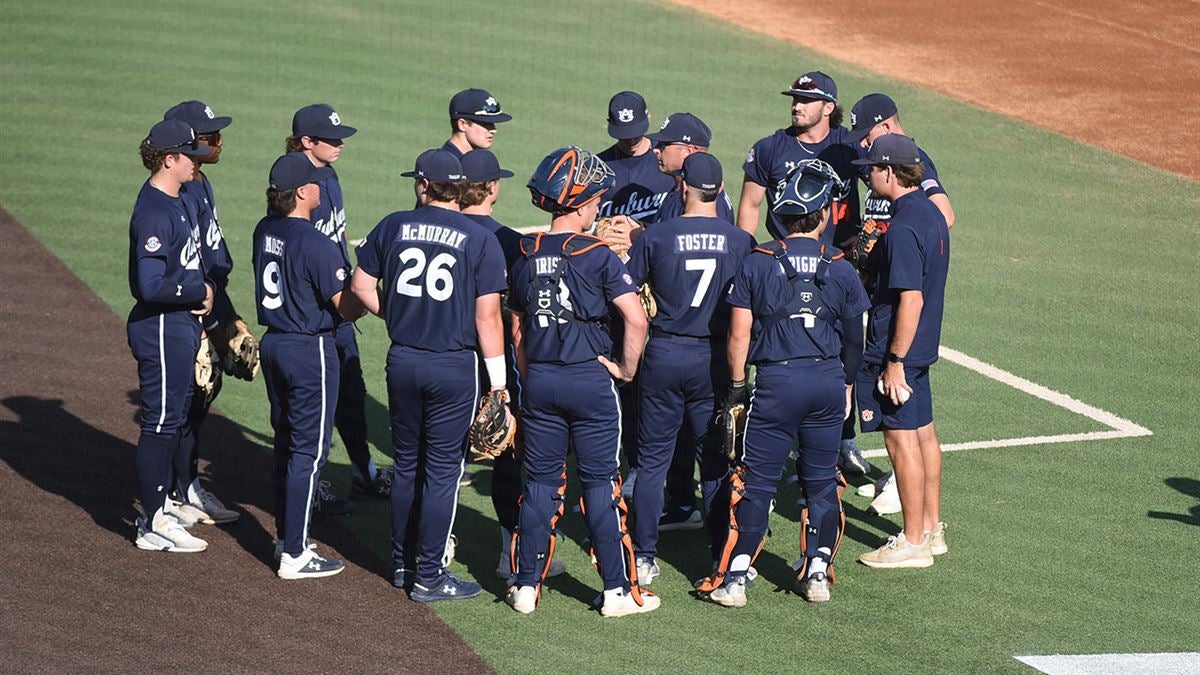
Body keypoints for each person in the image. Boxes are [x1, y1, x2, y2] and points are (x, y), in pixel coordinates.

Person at [697, 159, 869, 607]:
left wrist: (736, 387)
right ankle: (817, 573)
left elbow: (738, 335)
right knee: (820, 482)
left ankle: (735, 578)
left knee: (756, 483)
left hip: (777, 382)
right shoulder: (843, 268)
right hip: (828, 381)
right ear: (827, 214)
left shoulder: (757, 264)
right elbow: (856, 340)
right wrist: (847, 385)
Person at [505, 146, 657, 617]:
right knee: (600, 486)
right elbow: (636, 320)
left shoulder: (526, 251)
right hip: (591, 383)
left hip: (542, 382)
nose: (600, 207)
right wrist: (626, 370)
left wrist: (531, 382)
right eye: (595, 199)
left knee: (540, 486)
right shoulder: (598, 255)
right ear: (581, 202)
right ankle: (617, 591)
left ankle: (526, 587)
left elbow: (518, 331)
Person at [351, 149, 508, 602]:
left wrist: (399, 317)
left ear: (423, 185)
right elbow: (488, 318)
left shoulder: (393, 225)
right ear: (460, 189)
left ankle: (402, 564)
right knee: (442, 473)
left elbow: (361, 286)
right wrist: (498, 383)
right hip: (453, 366)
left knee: (406, 466)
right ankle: (430, 575)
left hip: (403, 360)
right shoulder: (479, 239)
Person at [624, 153, 756, 586]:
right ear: (718, 192)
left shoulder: (656, 237)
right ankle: (722, 555)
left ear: (683, 187)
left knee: (652, 461)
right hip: (714, 360)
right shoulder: (739, 241)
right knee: (716, 461)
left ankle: (642, 557)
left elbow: (626, 297)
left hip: (662, 355)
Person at [733, 74, 870, 478]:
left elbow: (883, 183)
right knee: (784, 348)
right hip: (786, 268)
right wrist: (746, 258)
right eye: (795, 98)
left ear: (829, 107)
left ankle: (844, 437)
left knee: (847, 348)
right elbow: (750, 206)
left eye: (807, 100)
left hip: (841, 267)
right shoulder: (770, 148)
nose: (797, 106)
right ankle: (790, 438)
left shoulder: (848, 146)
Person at [254, 152, 364, 579]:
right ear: (303, 193)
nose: (322, 186)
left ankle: (287, 536)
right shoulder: (314, 241)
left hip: (275, 344)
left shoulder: (265, 230)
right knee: (309, 452)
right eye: (315, 182)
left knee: (286, 444)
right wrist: (369, 285)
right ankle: (295, 554)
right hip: (309, 351)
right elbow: (347, 309)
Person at [458, 148, 566, 581]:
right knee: (505, 456)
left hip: (439, 357)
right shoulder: (507, 241)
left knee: (437, 458)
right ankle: (509, 554)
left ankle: (428, 551)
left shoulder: (427, 227)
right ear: (492, 188)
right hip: (492, 362)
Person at [844, 94, 956, 513]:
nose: (863, 148)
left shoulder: (912, 186)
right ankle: (927, 526)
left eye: (868, 140)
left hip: (901, 316)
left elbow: (943, 215)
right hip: (899, 295)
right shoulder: (901, 206)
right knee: (921, 430)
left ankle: (911, 526)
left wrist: (894, 244)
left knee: (903, 431)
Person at [287, 104, 385, 513]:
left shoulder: (329, 174)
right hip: (314, 314)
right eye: (332, 137)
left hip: (339, 304)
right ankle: (314, 485)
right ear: (307, 142)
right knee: (314, 408)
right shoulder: (293, 181)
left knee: (351, 393)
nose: (340, 142)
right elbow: (300, 249)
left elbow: (337, 237)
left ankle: (364, 472)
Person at [127, 119, 215, 553]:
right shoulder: (155, 211)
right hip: (160, 325)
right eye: (189, 155)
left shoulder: (177, 199)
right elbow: (149, 284)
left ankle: (161, 505)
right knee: (160, 424)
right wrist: (197, 290)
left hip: (178, 324)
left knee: (173, 418)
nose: (196, 161)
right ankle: (152, 522)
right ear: (169, 159)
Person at [161, 100, 242, 527]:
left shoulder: (201, 183)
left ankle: (186, 485)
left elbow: (214, 258)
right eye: (210, 136)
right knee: (184, 401)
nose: (218, 142)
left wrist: (228, 318)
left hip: (213, 301)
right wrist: (204, 324)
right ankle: (175, 492)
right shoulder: (180, 191)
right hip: (191, 309)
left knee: (202, 397)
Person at [595, 91, 677, 500]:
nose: (630, 139)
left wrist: (640, 237)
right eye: (621, 132)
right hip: (614, 291)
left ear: (649, 119)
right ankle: (634, 464)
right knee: (625, 383)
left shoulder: (665, 164)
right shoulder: (600, 166)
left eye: (636, 130)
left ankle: (663, 472)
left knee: (657, 386)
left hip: (661, 290)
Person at [442, 88, 512, 158]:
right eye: (486, 123)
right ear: (462, 124)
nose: (493, 130)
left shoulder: (476, 159)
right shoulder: (446, 165)